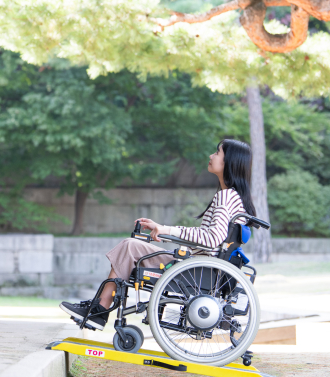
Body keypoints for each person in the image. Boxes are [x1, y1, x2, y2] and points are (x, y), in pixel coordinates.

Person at [59, 138, 258, 330]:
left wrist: (166, 230)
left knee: (130, 246)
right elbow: (209, 235)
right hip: (199, 268)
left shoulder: (226, 196)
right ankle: (99, 308)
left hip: (194, 270)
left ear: (229, 162)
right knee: (131, 246)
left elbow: (212, 238)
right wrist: (163, 229)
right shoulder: (234, 197)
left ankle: (100, 310)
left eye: (217, 152)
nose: (211, 155)